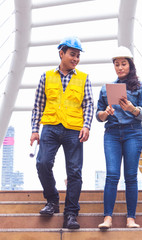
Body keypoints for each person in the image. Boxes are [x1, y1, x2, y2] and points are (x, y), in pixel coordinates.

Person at [30, 36, 94, 229]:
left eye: (78, 56)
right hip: (50, 126)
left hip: (74, 129)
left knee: (74, 172)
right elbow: (38, 106)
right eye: (72, 54)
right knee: (42, 163)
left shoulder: (83, 78)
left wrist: (87, 125)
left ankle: (71, 214)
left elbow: (89, 103)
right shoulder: (46, 76)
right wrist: (34, 130)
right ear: (61, 54)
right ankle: (52, 201)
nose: (75, 59)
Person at [96, 46, 142, 229]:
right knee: (111, 175)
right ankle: (107, 218)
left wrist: (131, 109)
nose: (120, 67)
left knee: (131, 176)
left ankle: (131, 218)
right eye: (117, 64)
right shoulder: (106, 89)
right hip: (111, 133)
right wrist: (106, 112)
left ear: (130, 65)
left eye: (123, 64)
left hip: (133, 132)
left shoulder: (141, 87)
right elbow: (98, 116)